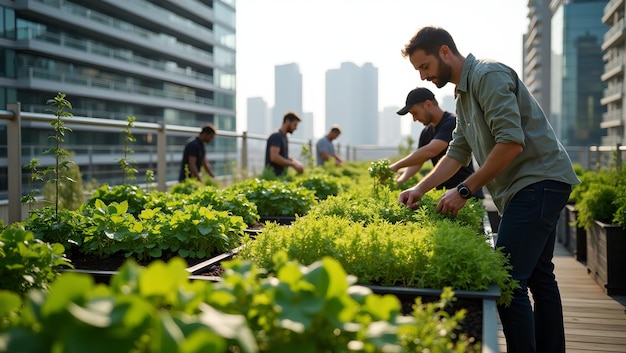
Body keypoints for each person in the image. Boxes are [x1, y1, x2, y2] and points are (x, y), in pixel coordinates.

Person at [397, 26, 579, 353]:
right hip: (535, 186)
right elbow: (456, 152)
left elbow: (511, 143)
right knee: (540, 278)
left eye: (424, 66)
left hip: (537, 183)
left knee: (508, 284)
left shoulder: (487, 75)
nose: (423, 76)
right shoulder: (464, 95)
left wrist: (464, 191)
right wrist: (420, 188)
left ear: (444, 52)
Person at [391, 87, 483, 199]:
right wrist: (399, 181)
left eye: (415, 113)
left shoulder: (452, 123)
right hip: (445, 196)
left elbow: (430, 151)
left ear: (428, 105)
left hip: (466, 193)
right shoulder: (426, 132)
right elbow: (418, 161)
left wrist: (395, 166)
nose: (414, 119)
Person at [265, 111, 305, 176]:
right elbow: (274, 157)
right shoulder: (276, 136)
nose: (295, 128)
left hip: (281, 176)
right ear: (287, 121)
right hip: (273, 177)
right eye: (295, 124)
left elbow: (284, 155)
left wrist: (295, 162)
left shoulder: (284, 137)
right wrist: (293, 164)